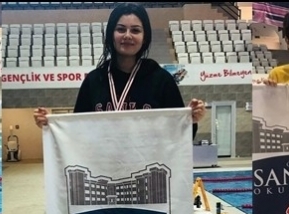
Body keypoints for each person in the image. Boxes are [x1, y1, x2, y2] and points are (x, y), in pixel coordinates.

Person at [33, 2, 206, 133]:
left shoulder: (161, 80)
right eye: (121, 29)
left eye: (135, 30)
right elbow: (77, 131)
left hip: (147, 167)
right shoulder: (94, 81)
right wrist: (50, 125)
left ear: (145, 37)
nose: (127, 36)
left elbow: (179, 134)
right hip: (104, 167)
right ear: (111, 34)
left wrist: (191, 119)